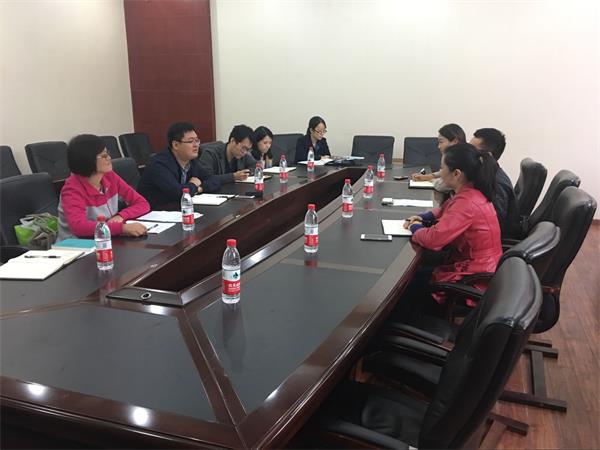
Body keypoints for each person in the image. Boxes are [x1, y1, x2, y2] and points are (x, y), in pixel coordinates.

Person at [402, 143, 502, 315]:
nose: (440, 173)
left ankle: (402, 324)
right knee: (414, 275)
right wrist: (426, 216)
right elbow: (447, 210)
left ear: (456, 174)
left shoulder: (467, 203)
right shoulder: (472, 191)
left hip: (474, 276)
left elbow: (433, 240)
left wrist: (414, 227)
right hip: (480, 265)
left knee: (406, 285)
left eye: (442, 168)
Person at [58, 134, 150, 241]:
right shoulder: (72, 189)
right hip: (77, 245)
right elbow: (79, 227)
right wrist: (122, 228)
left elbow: (142, 203)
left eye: (107, 153)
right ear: (87, 159)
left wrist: (121, 216)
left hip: (105, 238)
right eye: (104, 156)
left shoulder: (110, 177)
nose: (109, 158)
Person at [137, 122, 220, 208]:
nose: (196, 145)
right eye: (191, 141)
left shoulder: (191, 161)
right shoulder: (159, 164)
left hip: (176, 208)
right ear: (176, 145)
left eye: (197, 140)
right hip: (154, 211)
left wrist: (199, 188)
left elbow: (214, 180)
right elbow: (179, 193)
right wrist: (194, 185)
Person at [469, 128, 519, 237]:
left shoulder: (497, 184)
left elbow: (494, 225)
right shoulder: (485, 174)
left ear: (488, 156)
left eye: (472, 151)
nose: (467, 154)